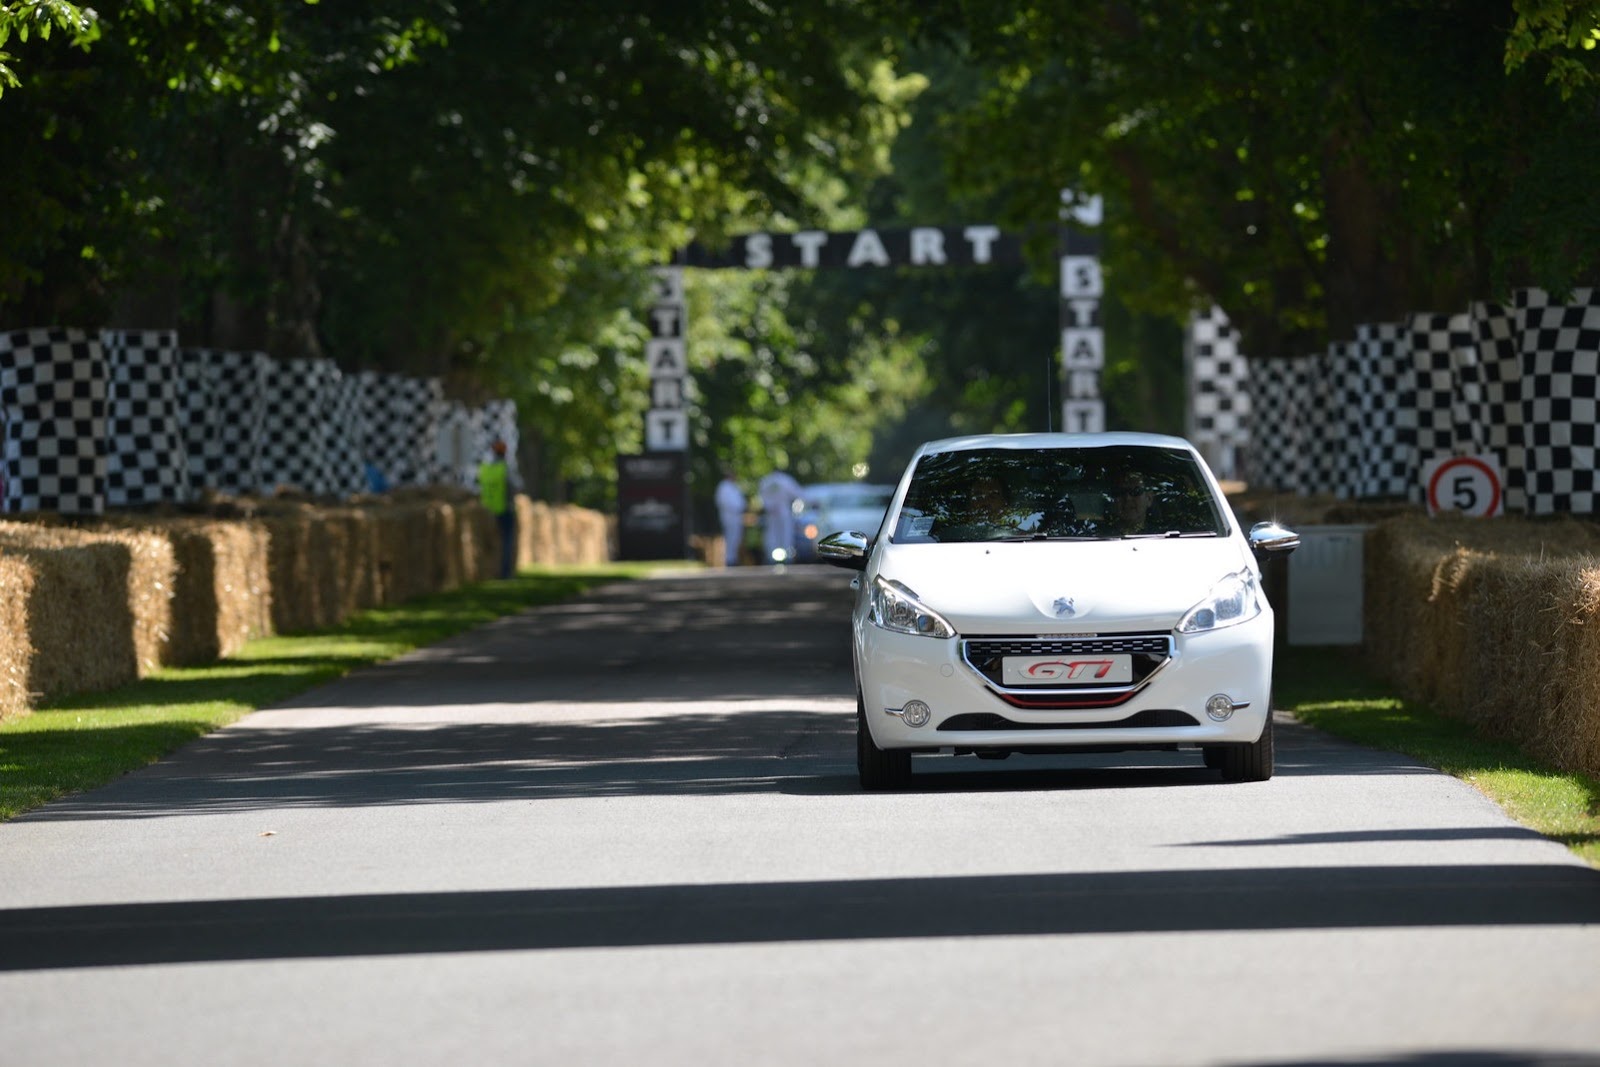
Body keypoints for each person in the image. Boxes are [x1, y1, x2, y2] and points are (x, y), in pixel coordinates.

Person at [478, 439, 519, 579]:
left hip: (487, 511)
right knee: (507, 542)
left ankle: (486, 572)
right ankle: (505, 573)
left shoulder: (485, 469)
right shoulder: (506, 468)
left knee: (488, 543)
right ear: (505, 452)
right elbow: (517, 486)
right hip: (505, 509)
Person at [758, 466, 804, 564]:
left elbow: (761, 497)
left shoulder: (766, 481)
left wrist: (769, 505)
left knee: (772, 536)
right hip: (783, 512)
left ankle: (771, 557)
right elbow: (797, 493)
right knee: (785, 535)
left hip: (771, 513)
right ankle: (787, 558)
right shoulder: (785, 480)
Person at [714, 465, 746, 567]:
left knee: (736, 538)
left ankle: (733, 558)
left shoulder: (734, 487)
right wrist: (736, 508)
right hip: (729, 516)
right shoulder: (723, 487)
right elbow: (724, 502)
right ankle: (729, 559)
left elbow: (741, 502)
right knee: (730, 538)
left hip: (736, 517)